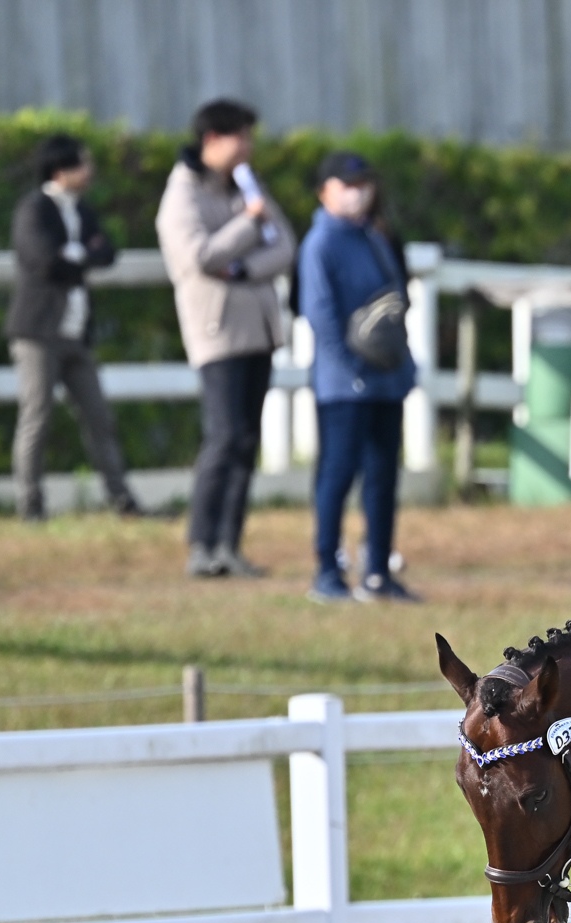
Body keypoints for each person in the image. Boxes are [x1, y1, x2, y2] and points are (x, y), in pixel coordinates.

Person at [157, 98, 298, 579]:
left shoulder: (243, 185)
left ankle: (229, 545)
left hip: (259, 328)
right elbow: (198, 256)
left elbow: (285, 245)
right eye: (242, 137)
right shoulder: (183, 193)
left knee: (246, 440)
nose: (249, 147)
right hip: (216, 332)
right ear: (212, 139)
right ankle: (201, 543)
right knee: (223, 436)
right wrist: (248, 225)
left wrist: (240, 269)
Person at [298, 152, 418, 603]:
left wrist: (398, 364)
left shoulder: (375, 237)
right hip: (343, 385)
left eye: (363, 184)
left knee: (383, 477)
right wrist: (354, 366)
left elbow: (396, 302)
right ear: (324, 191)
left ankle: (378, 572)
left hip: (385, 380)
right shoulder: (320, 243)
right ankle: (327, 572)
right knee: (337, 475)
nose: (358, 194)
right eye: (347, 185)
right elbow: (320, 314)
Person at [6, 135, 140, 522]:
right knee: (37, 416)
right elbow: (43, 260)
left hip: (76, 331)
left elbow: (108, 252)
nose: (89, 171)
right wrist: (84, 253)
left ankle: (121, 498)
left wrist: (74, 254)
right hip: (38, 330)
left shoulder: (82, 211)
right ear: (60, 170)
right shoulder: (34, 209)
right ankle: (30, 504)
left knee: (99, 416)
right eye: (82, 164)